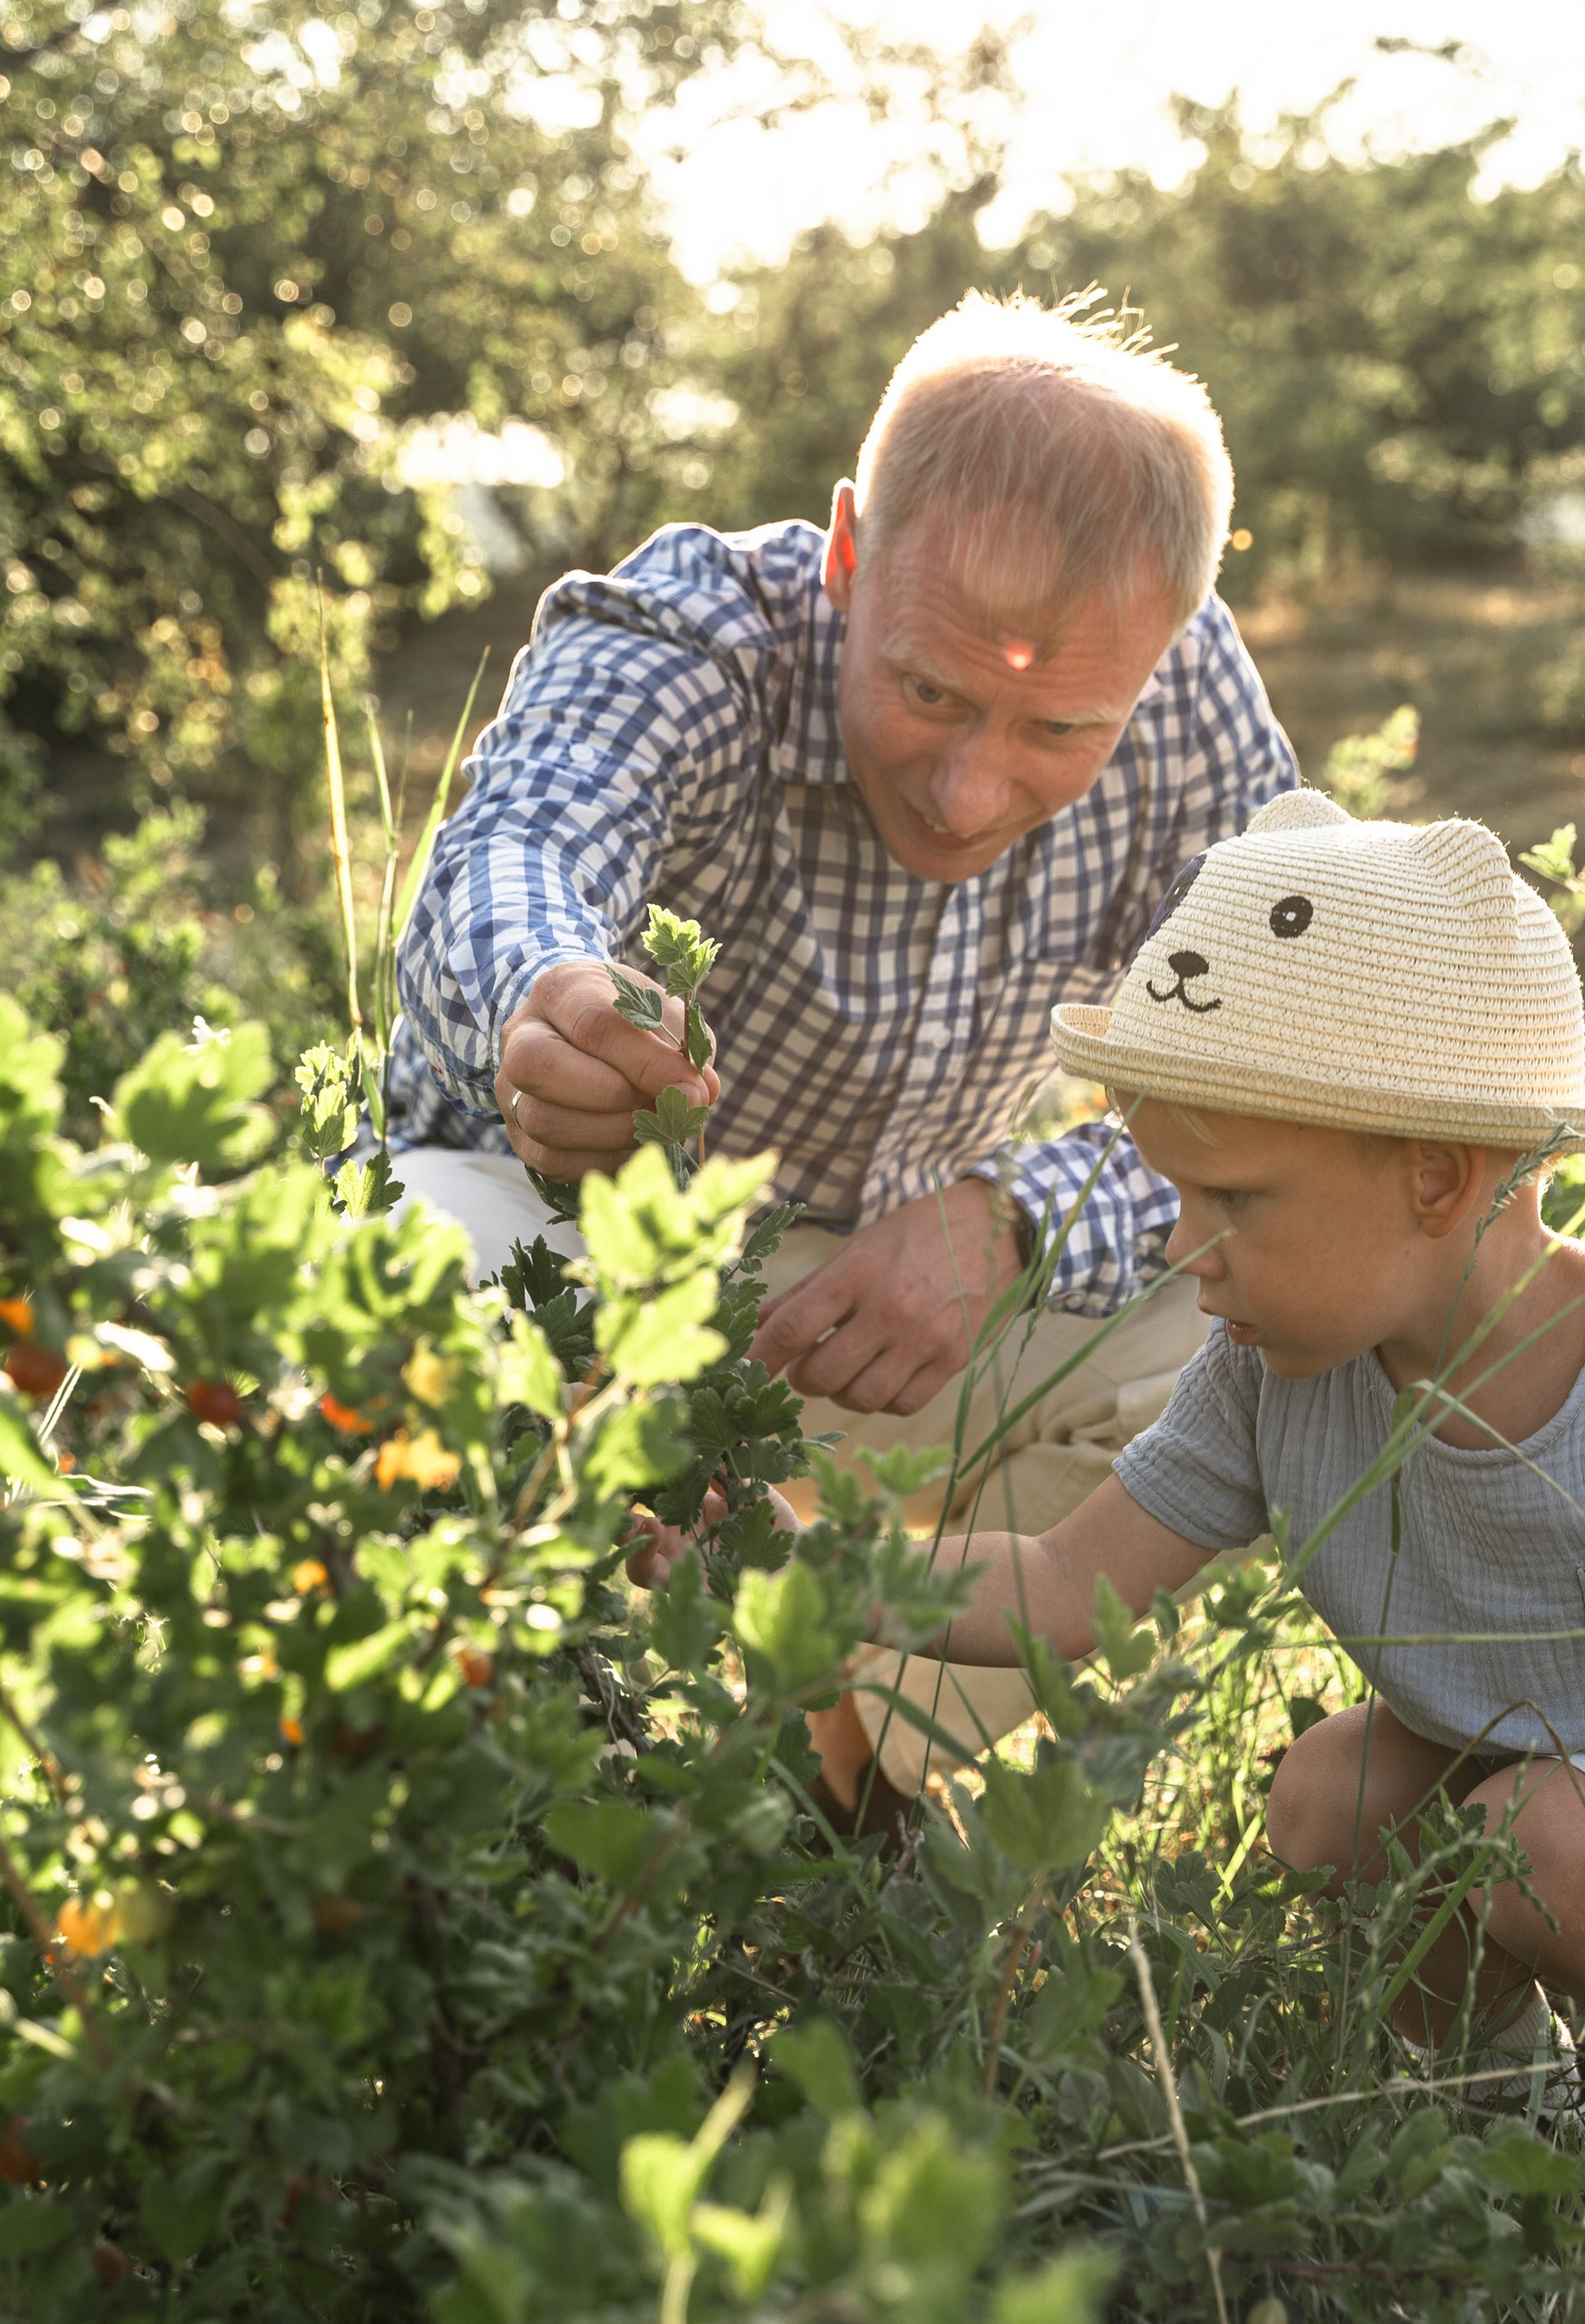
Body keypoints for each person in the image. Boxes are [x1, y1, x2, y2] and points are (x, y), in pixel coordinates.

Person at [733, 789, 1585, 2297]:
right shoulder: (1278, 1373)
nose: (1177, 1249)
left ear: (1436, 1177)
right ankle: (1512, 2115)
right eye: (1171, 1194)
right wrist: (796, 1562)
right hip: (1539, 1784)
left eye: (1230, 1202)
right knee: (1331, 1799)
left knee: (1534, 1838)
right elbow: (1063, 1591)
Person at [386, 292, 1299, 1829]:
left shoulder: (1187, 690)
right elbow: (522, 843)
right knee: (441, 1270)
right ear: (847, 552)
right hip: (593, 1260)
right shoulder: (696, 630)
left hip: (893, 1304)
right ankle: (541, 1789)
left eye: (1058, 727)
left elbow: (1274, 1063)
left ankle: (836, 1777)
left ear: (1158, 653)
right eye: (931, 690)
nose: (968, 785)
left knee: (1283, 1350)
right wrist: (548, 991)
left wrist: (1010, 1216)